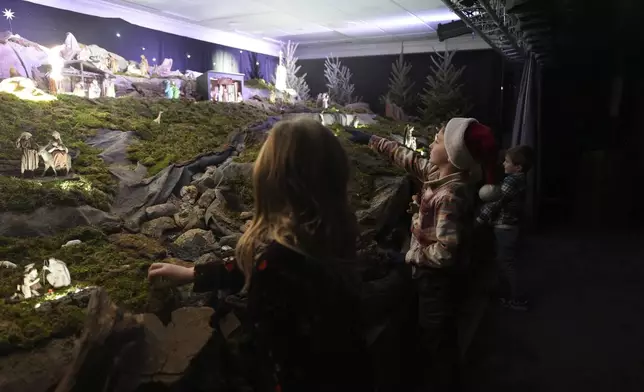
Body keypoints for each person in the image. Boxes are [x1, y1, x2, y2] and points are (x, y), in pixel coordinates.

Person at [148, 118, 373, 392]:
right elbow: (252, 266)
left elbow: (266, 359)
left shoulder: (282, 263)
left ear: (277, 181)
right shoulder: (331, 235)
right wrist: (193, 274)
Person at [346, 118, 498, 392]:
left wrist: (408, 257)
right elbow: (408, 158)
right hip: (425, 272)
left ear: (453, 156)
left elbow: (445, 252)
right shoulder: (437, 173)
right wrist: (370, 139)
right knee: (429, 331)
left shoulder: (449, 197)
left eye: (438, 141)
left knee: (436, 337)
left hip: (436, 281)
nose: (431, 143)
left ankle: (443, 381)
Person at [476, 145, 534, 311]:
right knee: (503, 260)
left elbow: (495, 203)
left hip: (505, 228)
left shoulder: (511, 182)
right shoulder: (520, 179)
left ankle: (517, 298)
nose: (503, 164)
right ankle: (505, 293)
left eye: (507, 162)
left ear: (518, 167)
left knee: (506, 263)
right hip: (509, 227)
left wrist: (480, 219)